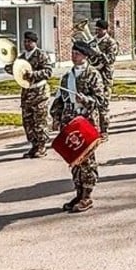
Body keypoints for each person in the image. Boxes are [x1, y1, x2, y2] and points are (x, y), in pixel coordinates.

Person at [50, 41, 106, 213]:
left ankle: (87, 195)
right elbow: (60, 99)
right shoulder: (67, 77)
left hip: (86, 121)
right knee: (74, 159)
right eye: (72, 53)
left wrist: (86, 100)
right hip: (70, 121)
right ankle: (78, 192)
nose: (74, 56)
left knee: (87, 160)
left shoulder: (93, 75)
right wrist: (56, 116)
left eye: (77, 54)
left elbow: (101, 100)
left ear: (85, 56)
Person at [6, 31, 53, 159]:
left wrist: (33, 74)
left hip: (39, 93)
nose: (26, 44)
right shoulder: (22, 57)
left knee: (40, 121)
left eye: (29, 42)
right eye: (25, 41)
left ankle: (42, 146)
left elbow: (48, 72)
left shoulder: (41, 55)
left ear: (34, 43)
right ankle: (34, 145)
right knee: (28, 122)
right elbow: (14, 70)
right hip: (27, 93)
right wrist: (9, 66)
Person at [88, 19, 118, 140]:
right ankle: (94, 130)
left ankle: (104, 131)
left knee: (103, 105)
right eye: (96, 29)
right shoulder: (94, 41)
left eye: (100, 29)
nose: (97, 31)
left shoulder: (111, 43)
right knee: (92, 105)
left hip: (105, 77)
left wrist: (98, 53)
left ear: (106, 30)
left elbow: (110, 60)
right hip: (93, 77)